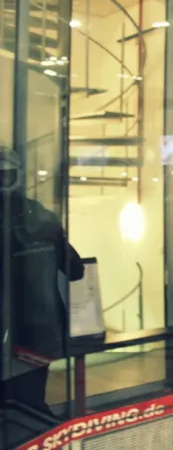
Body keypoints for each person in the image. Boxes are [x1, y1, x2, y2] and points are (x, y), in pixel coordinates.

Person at [1, 146, 84, 417]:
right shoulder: (43, 217)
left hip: (17, 330)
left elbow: (74, 269)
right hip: (43, 330)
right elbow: (75, 269)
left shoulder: (41, 218)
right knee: (31, 406)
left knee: (16, 409)